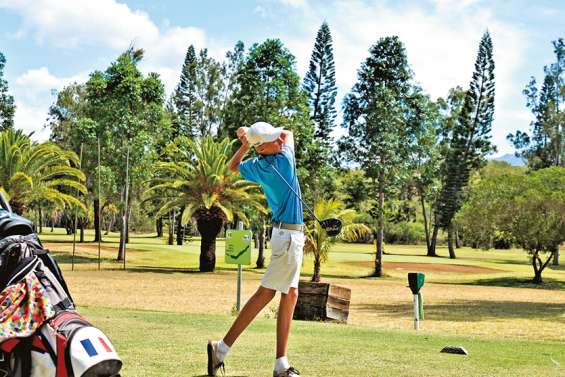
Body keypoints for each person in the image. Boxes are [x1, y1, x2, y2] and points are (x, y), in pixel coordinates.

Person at [207, 122, 304, 377]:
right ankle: (223, 349)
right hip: (288, 237)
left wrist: (245, 139)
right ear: (263, 148)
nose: (281, 141)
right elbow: (288, 134)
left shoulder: (259, 165)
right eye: (274, 140)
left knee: (289, 294)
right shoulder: (283, 162)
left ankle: (277, 362)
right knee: (268, 294)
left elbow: (233, 166)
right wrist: (248, 136)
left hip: (289, 235)